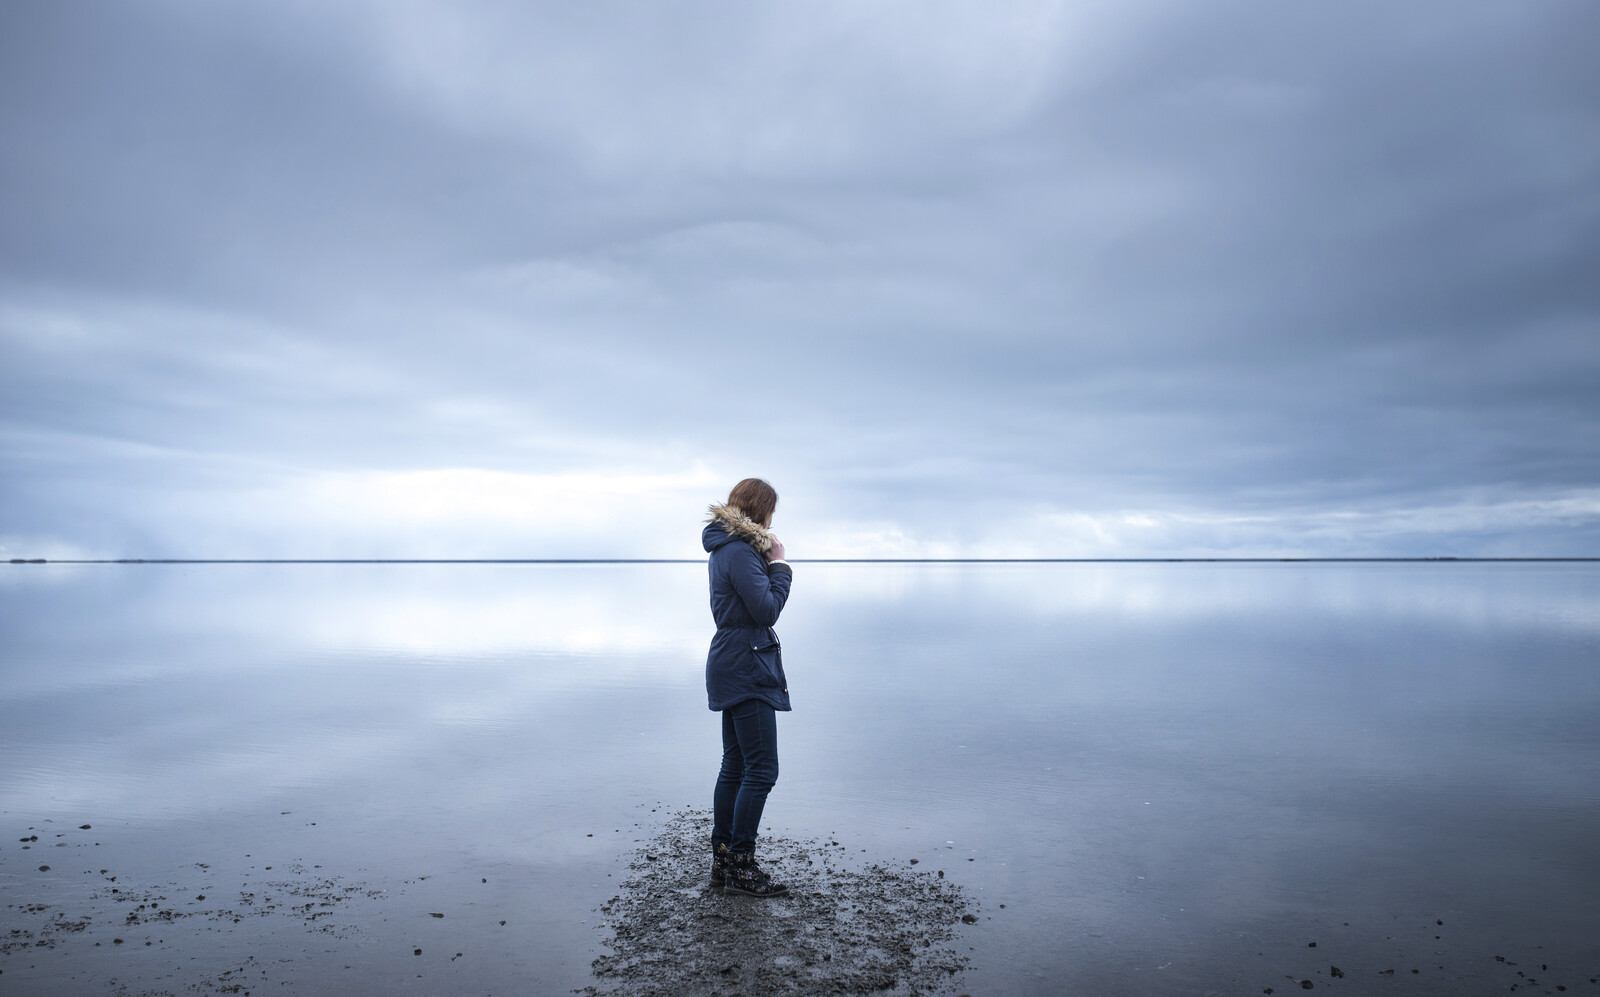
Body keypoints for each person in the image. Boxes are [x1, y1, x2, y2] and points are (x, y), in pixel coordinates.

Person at [701, 477, 793, 898]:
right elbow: (766, 610)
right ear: (761, 511)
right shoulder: (739, 551)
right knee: (761, 769)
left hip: (733, 658)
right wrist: (779, 567)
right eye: (771, 510)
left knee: (736, 765)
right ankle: (740, 865)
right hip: (745, 663)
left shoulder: (726, 548)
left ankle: (724, 864)